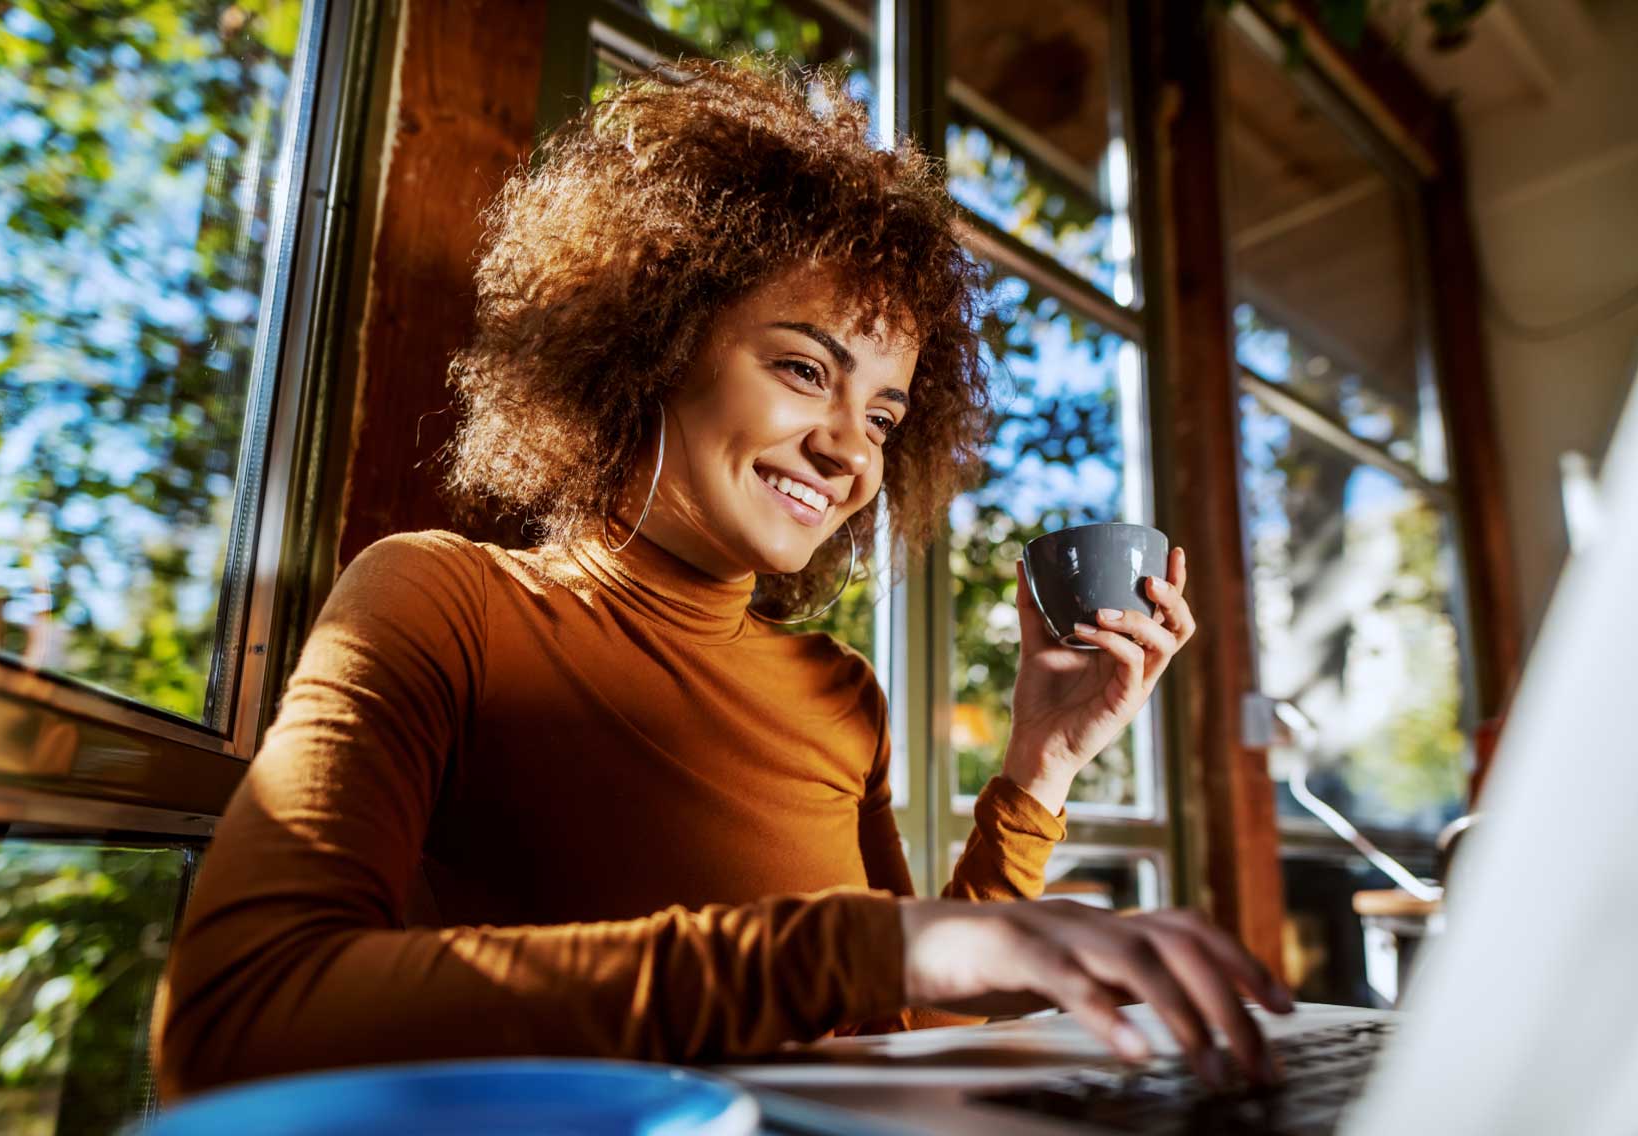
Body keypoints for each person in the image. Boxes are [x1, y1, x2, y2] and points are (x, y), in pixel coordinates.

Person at [151, 59, 1292, 1104]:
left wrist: (1040, 767)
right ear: (650, 339)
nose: (852, 451)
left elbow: (904, 1028)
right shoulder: (443, 602)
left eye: (885, 414)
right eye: (805, 369)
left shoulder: (839, 692)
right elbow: (239, 1016)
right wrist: (855, 945)